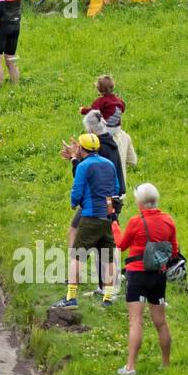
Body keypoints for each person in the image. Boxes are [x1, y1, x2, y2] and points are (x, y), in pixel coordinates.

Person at [115, 183, 178, 375]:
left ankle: (130, 367)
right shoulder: (168, 220)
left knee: (136, 322)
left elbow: (121, 244)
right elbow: (174, 251)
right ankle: (166, 364)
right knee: (160, 321)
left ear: (140, 202)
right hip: (158, 275)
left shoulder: (136, 222)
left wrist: (114, 225)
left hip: (137, 274)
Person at [54, 132, 118, 309]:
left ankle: (71, 297)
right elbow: (115, 189)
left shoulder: (84, 166)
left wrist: (74, 203)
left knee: (77, 255)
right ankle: (108, 298)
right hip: (107, 217)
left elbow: (77, 189)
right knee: (108, 257)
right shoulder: (110, 164)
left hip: (90, 216)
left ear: (81, 149)